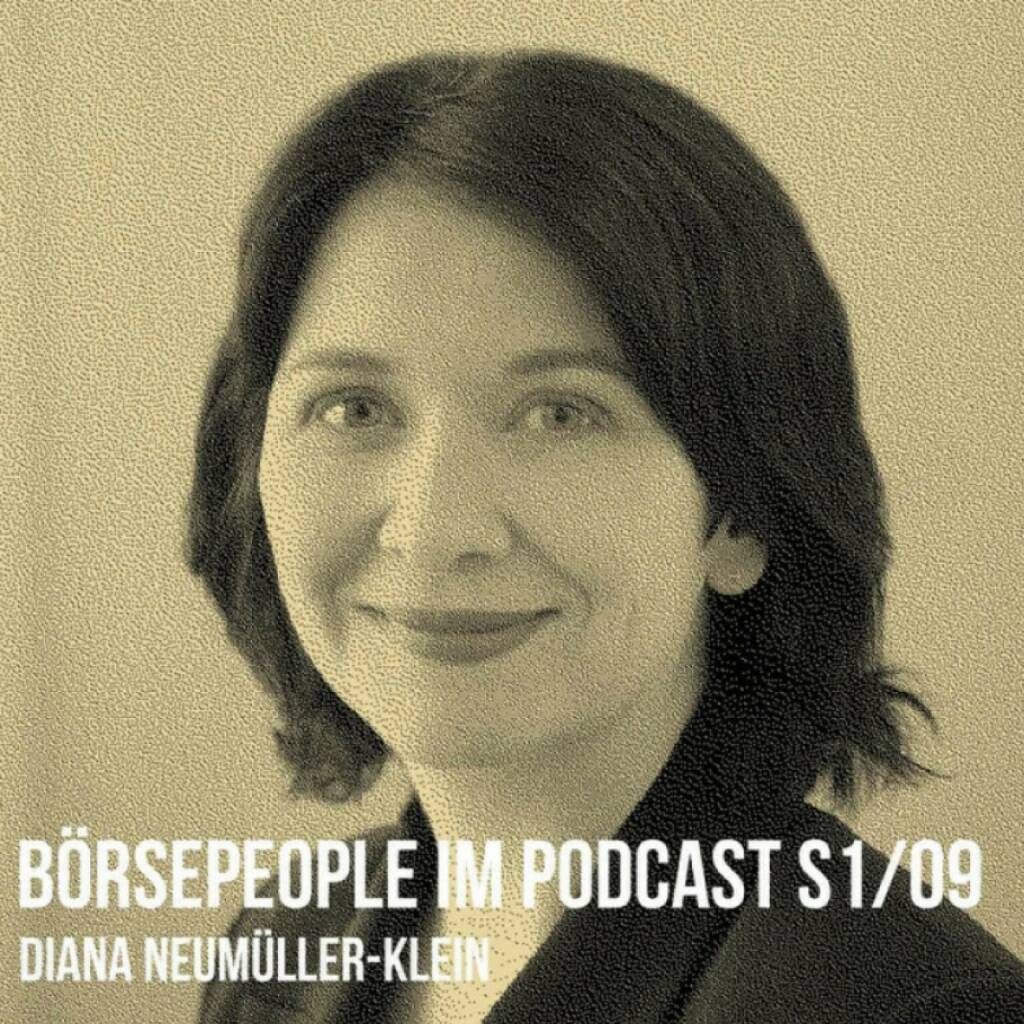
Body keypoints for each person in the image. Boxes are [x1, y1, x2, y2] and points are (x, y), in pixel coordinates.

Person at [187, 50, 1023, 1023]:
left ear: (739, 510)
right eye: (353, 407)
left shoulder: (908, 1006)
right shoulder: (283, 944)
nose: (433, 530)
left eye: (560, 414)